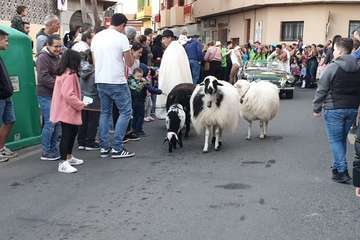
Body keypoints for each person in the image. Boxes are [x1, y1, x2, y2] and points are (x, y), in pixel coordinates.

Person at [313, 38, 360, 184]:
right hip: (352, 108)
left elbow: (322, 89)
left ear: (339, 51)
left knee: (335, 140)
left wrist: (316, 108)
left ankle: (342, 171)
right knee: (340, 140)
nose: (332, 52)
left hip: (334, 108)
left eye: (334, 50)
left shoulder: (332, 67)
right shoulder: (358, 67)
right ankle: (336, 168)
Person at [91, 13, 135, 158]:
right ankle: (117, 147)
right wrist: (131, 53)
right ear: (122, 25)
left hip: (100, 79)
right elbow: (129, 63)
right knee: (126, 111)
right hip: (116, 80)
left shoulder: (97, 37)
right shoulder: (121, 37)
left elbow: (95, 61)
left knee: (105, 112)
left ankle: (104, 147)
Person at [50, 50, 85, 173]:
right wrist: (81, 104)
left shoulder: (64, 73)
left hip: (65, 109)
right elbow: (68, 95)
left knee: (71, 133)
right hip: (68, 110)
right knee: (67, 135)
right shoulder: (70, 75)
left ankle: (68, 157)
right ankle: (63, 162)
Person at [155, 29, 192, 119]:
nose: (162, 41)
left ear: (169, 38)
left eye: (164, 39)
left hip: (174, 80)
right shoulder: (177, 47)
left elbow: (172, 67)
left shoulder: (173, 49)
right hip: (179, 80)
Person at [77, 50, 100, 151]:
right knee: (92, 122)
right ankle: (90, 142)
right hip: (94, 99)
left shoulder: (81, 69)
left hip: (82, 98)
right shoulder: (96, 71)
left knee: (83, 121)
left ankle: (81, 142)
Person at [128, 68, 162, 136]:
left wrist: (157, 91)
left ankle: (135, 130)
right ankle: (138, 130)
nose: (139, 78)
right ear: (133, 75)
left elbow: (150, 89)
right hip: (137, 101)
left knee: (136, 116)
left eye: (141, 76)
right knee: (140, 116)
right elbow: (147, 88)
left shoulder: (134, 81)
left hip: (138, 100)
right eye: (138, 76)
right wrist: (158, 91)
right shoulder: (135, 82)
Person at [0, 30, 17, 162]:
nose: (7, 43)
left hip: (6, 95)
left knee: (10, 120)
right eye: (5, 40)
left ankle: (1, 148)